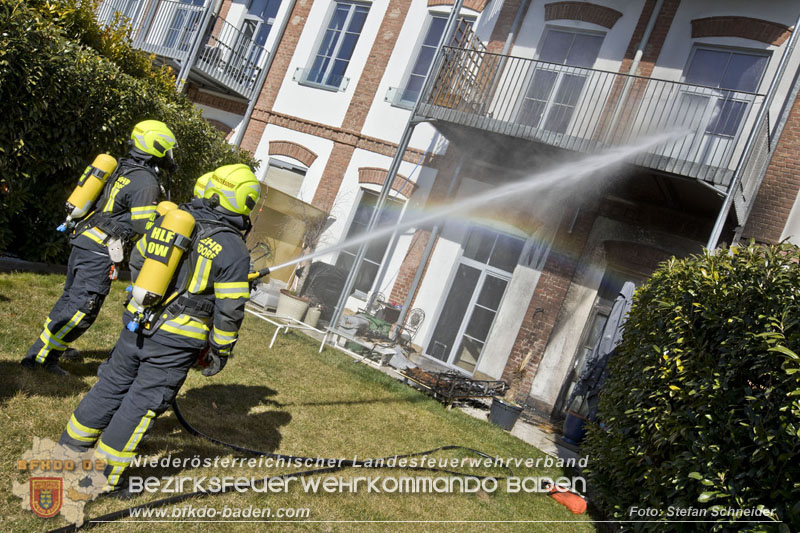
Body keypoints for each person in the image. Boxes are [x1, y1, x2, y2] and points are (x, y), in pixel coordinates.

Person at [58, 164, 260, 495]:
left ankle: (68, 451)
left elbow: (138, 260)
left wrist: (149, 299)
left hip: (138, 321)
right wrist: (220, 350)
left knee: (110, 385)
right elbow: (231, 309)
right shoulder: (233, 248)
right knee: (142, 403)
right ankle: (105, 477)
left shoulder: (173, 219)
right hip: (176, 341)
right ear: (243, 202)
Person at [21, 120, 178, 375]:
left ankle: (47, 348)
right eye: (169, 150)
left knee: (70, 299)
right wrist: (165, 219)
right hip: (100, 251)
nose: (171, 157)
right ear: (157, 148)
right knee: (84, 308)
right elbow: (141, 225)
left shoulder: (124, 167)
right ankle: (40, 357)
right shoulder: (145, 180)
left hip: (85, 241)